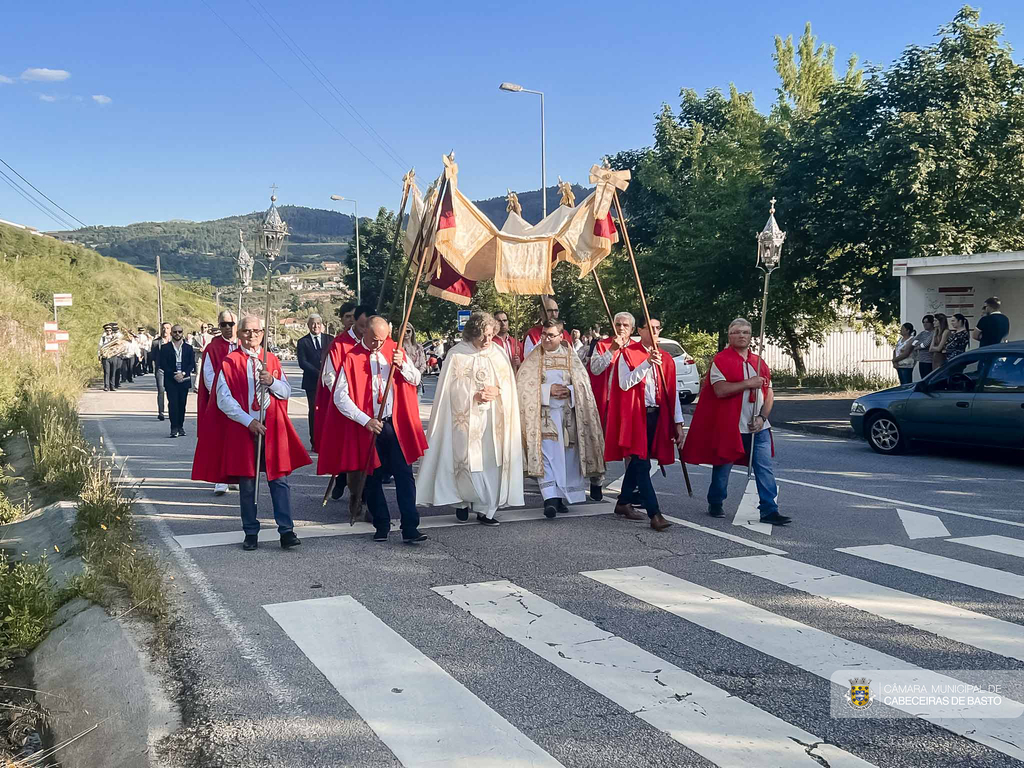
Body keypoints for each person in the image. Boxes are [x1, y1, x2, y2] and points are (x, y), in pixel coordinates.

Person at [192, 315, 311, 551]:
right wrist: (248, 422)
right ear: (240, 334)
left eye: (256, 331)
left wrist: (272, 381)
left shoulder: (272, 361)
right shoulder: (229, 362)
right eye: (247, 331)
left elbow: (286, 392)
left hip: (272, 426)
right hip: (244, 427)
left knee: (279, 480)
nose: (252, 335)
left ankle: (286, 530)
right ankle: (251, 531)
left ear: (263, 333)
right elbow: (223, 399)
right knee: (248, 483)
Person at [318, 317, 428, 543]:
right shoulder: (352, 357)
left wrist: (403, 365)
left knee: (404, 475)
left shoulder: (394, 350)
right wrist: (365, 420)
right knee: (372, 477)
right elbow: (340, 397)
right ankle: (381, 524)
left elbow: (415, 379)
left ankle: (410, 527)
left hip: (395, 423)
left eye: (383, 338)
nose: (379, 343)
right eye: (374, 339)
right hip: (369, 426)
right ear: (364, 334)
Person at [417, 311, 524, 525]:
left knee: (490, 461)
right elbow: (449, 390)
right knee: (464, 460)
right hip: (463, 419)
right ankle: (462, 501)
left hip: (493, 419)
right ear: (472, 333)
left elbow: (508, 387)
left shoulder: (499, 353)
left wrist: (498, 391)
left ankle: (486, 508)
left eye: (490, 335)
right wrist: (473, 395)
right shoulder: (457, 354)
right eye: (481, 336)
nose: (486, 340)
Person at [682, 318, 789, 526]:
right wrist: (749, 383)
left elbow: (769, 393)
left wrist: (762, 417)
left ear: (751, 337)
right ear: (730, 336)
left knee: (764, 467)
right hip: (731, 425)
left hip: (759, 427)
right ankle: (715, 501)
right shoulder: (721, 361)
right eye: (737, 332)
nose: (742, 335)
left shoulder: (759, 362)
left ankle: (769, 509)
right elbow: (720, 390)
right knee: (723, 467)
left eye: (746, 332)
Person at [517, 319, 605, 518]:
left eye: (551, 335)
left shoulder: (570, 356)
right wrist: (547, 391)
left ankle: (559, 496)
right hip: (544, 416)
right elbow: (523, 386)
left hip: (568, 416)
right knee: (547, 457)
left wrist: (570, 391)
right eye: (544, 335)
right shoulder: (534, 357)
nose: (546, 339)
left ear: (560, 336)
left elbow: (584, 385)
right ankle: (549, 498)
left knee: (566, 459)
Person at [604, 316, 683, 532]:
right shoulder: (628, 354)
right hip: (635, 415)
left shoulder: (666, 358)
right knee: (641, 461)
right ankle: (654, 513)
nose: (655, 331)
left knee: (641, 462)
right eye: (651, 327)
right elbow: (624, 383)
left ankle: (622, 502)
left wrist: (678, 422)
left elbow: (671, 393)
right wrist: (646, 364)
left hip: (657, 415)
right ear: (641, 330)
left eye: (658, 328)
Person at [197, 311, 238, 494]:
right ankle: (220, 479)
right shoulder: (212, 348)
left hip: (242, 400)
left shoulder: (243, 345)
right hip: (221, 399)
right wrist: (222, 391)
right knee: (220, 439)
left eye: (231, 324)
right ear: (219, 326)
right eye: (224, 325)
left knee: (238, 440)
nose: (228, 328)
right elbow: (208, 376)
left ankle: (236, 474)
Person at [588, 312, 635, 430]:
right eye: (618, 325)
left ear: (632, 329)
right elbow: (595, 369)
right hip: (608, 402)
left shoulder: (637, 348)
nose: (621, 328)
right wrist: (611, 350)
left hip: (630, 404)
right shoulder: (602, 345)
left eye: (625, 325)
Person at [296, 314, 332, 445]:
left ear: (322, 325)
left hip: (328, 382)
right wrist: (319, 373)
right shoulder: (302, 342)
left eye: (318, 323)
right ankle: (315, 440)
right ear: (308, 326)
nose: (315, 326)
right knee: (314, 411)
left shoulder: (330, 339)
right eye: (312, 324)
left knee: (329, 411)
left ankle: (328, 439)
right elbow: (302, 362)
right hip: (312, 383)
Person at [159, 325, 195, 438]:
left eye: (180, 331)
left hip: (184, 379)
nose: (177, 334)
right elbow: (162, 364)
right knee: (173, 404)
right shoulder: (165, 348)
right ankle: (174, 427)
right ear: (172, 333)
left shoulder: (188, 348)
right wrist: (173, 374)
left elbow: (191, 364)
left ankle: (180, 426)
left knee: (182, 404)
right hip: (171, 379)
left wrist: (183, 373)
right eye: (175, 332)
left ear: (182, 333)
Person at [151, 322, 171, 419]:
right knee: (161, 390)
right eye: (163, 328)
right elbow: (153, 356)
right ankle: (161, 412)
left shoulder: (174, 341)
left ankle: (172, 411)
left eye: (167, 328)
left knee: (172, 391)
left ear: (170, 330)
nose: (165, 330)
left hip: (172, 370)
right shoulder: (155, 342)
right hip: (160, 370)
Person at [402, 324, 427, 393]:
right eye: (403, 331)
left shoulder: (418, 347)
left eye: (408, 331)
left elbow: (423, 364)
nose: (406, 333)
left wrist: (417, 375)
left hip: (417, 381)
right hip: (403, 382)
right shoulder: (399, 347)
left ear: (412, 332)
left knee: (417, 402)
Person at [97, 323, 121, 392]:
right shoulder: (103, 338)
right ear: (105, 331)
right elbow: (100, 348)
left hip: (113, 356)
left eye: (109, 330)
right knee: (107, 372)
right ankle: (106, 386)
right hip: (106, 357)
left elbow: (119, 347)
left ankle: (112, 386)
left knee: (113, 372)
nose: (108, 332)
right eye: (107, 330)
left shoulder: (115, 338)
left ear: (111, 331)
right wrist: (99, 357)